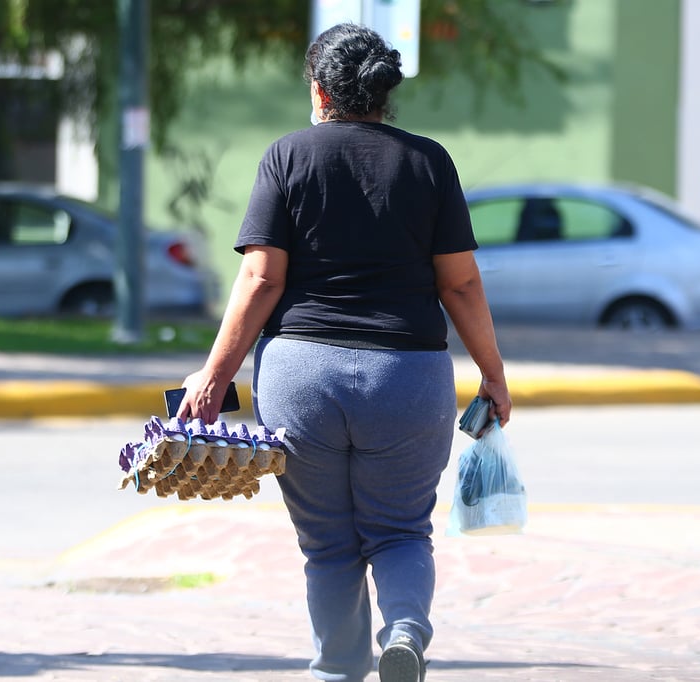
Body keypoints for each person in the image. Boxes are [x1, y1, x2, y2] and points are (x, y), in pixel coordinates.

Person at [178, 22, 511, 682]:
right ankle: (407, 631)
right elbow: (462, 282)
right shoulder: (428, 162)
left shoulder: (287, 156)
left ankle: (336, 671)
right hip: (405, 376)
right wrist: (493, 375)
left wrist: (215, 376)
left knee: (328, 545)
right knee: (399, 531)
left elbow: (262, 277)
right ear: (383, 94)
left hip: (300, 376)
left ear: (319, 89)